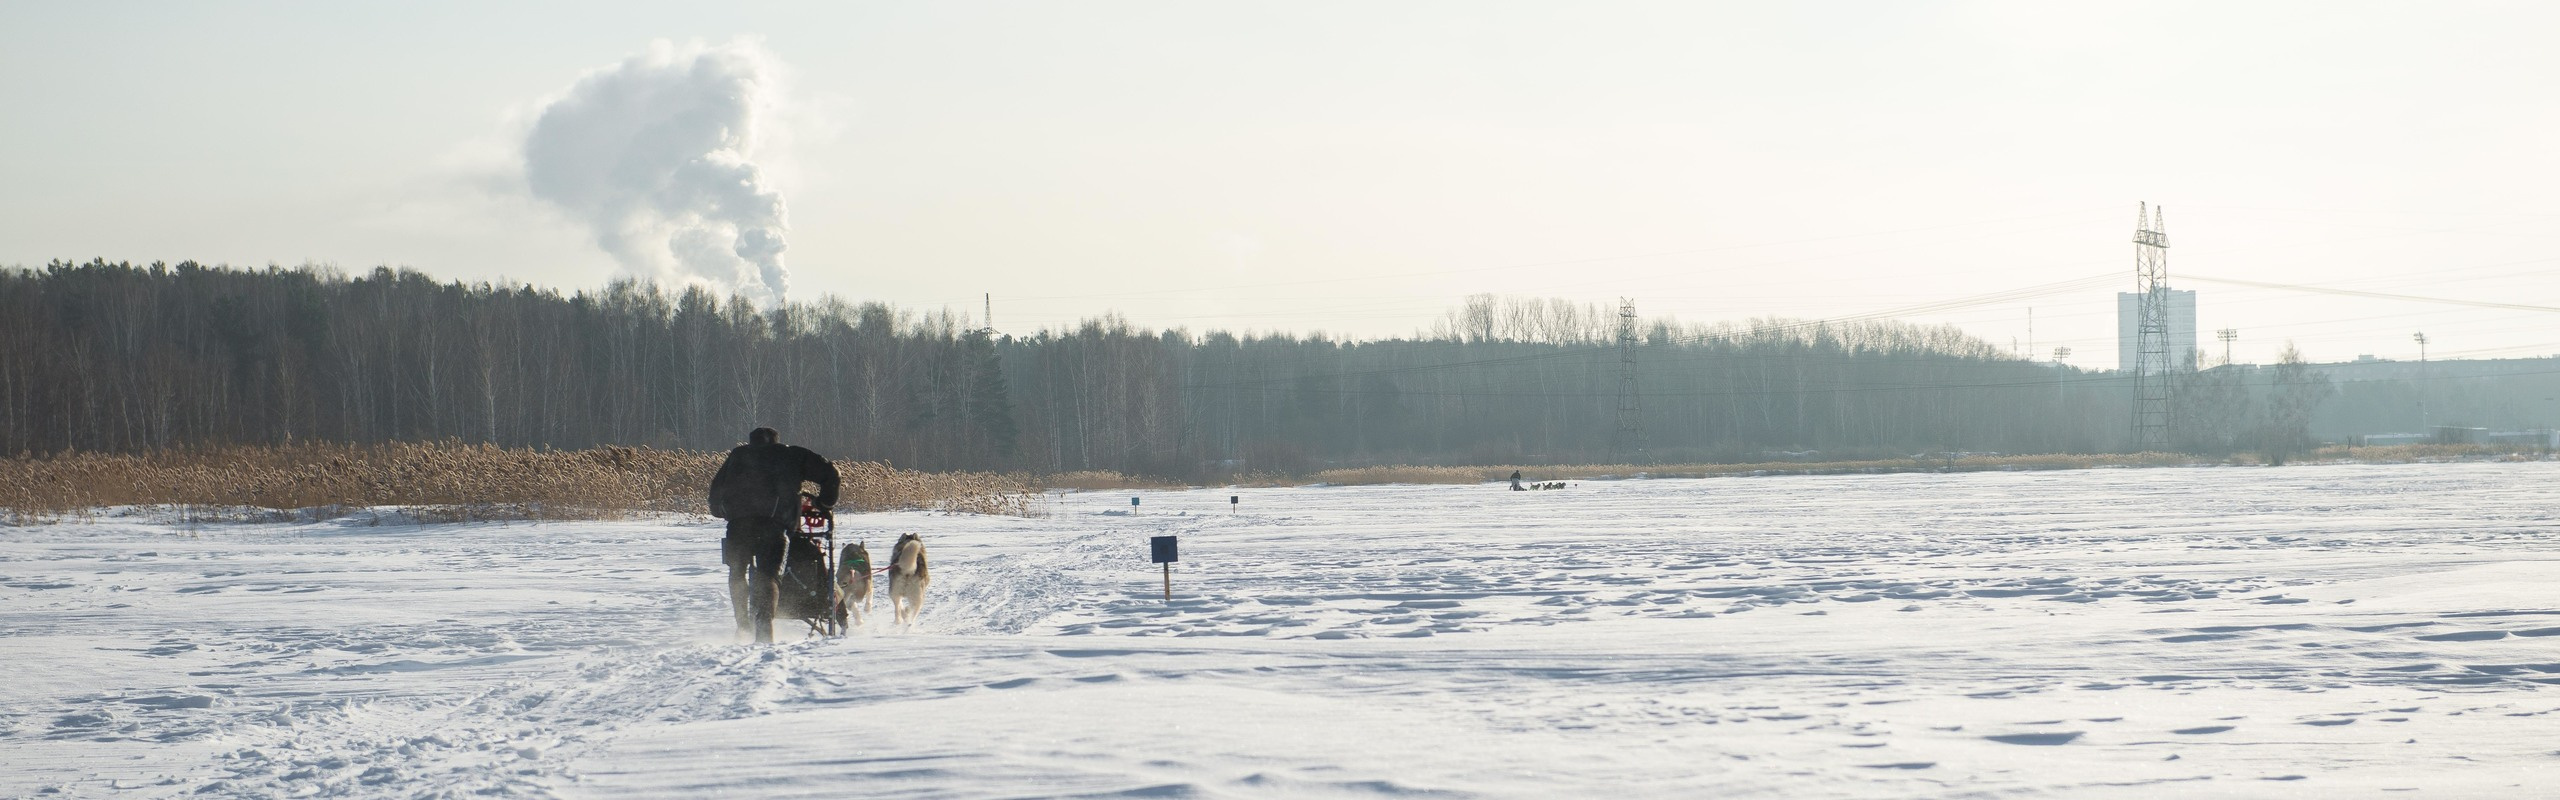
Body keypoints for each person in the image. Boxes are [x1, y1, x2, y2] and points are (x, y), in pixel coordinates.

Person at [707, 427, 841, 642]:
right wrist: (824, 502)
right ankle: (763, 624)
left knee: (737, 571)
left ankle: (743, 623)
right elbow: (831, 473)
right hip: (774, 525)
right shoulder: (792, 455)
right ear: (776, 441)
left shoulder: (738, 456)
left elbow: (716, 489)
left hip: (738, 524)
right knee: (768, 575)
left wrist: (720, 509)